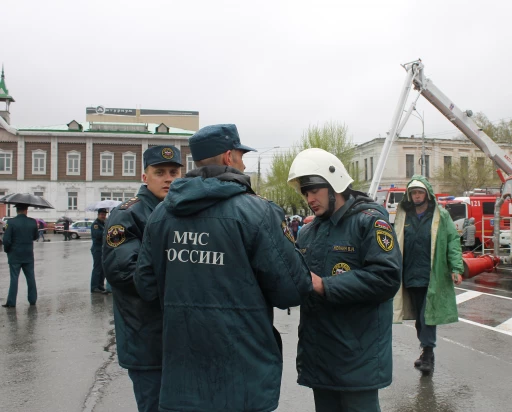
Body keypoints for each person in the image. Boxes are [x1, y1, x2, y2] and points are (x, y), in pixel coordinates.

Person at [134, 124, 313, 412]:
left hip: (183, 370)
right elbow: (292, 290)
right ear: (229, 157)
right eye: (242, 156)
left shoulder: (161, 215)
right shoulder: (257, 211)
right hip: (243, 369)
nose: (243, 163)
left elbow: (146, 285)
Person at [287, 148, 402, 412]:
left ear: (334, 183)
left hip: (356, 359)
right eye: (305, 192)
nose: (309, 198)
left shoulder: (369, 222)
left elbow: (386, 277)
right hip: (320, 356)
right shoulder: (308, 232)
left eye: (314, 189)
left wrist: (324, 285)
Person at [102, 145, 183, 412]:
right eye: (160, 172)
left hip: (181, 338)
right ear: (145, 176)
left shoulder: (182, 212)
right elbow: (125, 273)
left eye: (174, 171)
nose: (168, 178)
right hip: (146, 337)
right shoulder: (128, 214)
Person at [392, 175, 464, 374]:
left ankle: (428, 355)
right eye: (413, 192)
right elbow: (394, 242)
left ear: (427, 194)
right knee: (418, 317)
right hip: (409, 275)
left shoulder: (441, 215)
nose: (416, 196)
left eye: (420, 192)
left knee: (427, 316)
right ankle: (425, 351)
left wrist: (456, 268)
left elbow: (452, 241)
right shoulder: (403, 215)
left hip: (432, 275)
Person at [2, 204, 39, 308]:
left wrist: (7, 250)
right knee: (31, 277)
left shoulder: (11, 222)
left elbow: (6, 240)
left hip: (15, 255)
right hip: (28, 254)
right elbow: (35, 236)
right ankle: (32, 300)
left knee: (14, 278)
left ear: (17, 210)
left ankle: (11, 302)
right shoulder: (32, 222)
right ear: (26, 210)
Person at [90, 209, 108, 294]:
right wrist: (106, 232)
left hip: (103, 248)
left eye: (104, 214)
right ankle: (94, 287)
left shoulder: (104, 223)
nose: (103, 216)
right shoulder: (95, 225)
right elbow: (97, 235)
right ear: (98, 215)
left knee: (103, 269)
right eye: (101, 214)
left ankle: (100, 285)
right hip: (97, 249)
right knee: (97, 268)